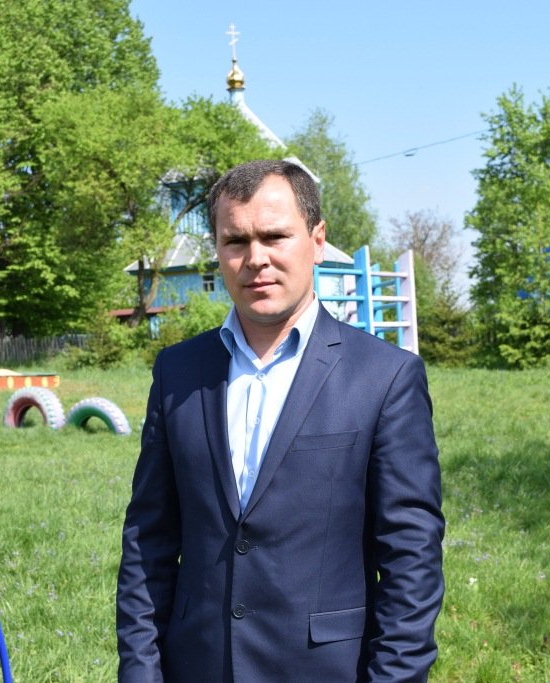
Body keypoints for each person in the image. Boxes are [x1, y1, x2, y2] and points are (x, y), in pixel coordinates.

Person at [116, 159, 444, 682]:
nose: (256, 259)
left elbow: (411, 560)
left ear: (317, 240)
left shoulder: (385, 378)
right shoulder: (178, 373)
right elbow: (147, 542)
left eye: (274, 236)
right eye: (235, 241)